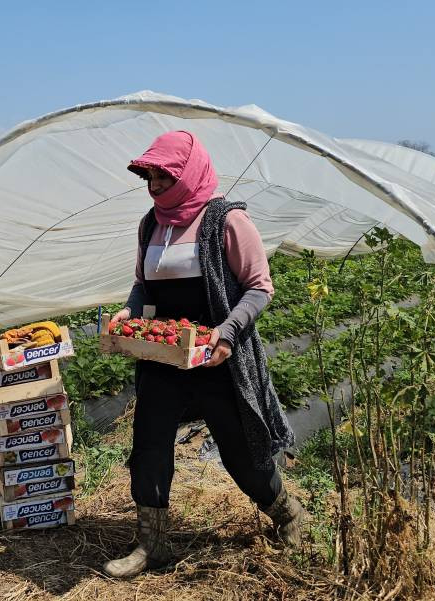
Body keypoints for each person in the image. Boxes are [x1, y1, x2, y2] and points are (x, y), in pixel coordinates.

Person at [103, 131, 308, 579]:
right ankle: (153, 544)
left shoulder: (226, 221)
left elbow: (259, 288)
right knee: (150, 447)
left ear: (188, 172)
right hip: (164, 354)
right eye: (150, 176)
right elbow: (144, 284)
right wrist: (129, 312)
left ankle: (289, 513)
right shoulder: (151, 223)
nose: (154, 185)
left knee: (239, 450)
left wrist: (227, 333)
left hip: (217, 358)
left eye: (163, 176)